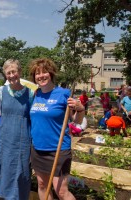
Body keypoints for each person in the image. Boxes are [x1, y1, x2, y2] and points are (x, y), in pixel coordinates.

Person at [29, 58, 84, 200]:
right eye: (37, 73)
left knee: (61, 191)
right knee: (42, 185)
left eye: (44, 72)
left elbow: (76, 121)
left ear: (51, 73)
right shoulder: (36, 94)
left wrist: (80, 109)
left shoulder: (64, 94)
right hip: (38, 148)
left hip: (58, 149)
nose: (41, 76)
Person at [0, 59, 33, 199]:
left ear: (20, 72)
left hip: (22, 140)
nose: (11, 75)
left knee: (21, 172)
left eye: (14, 71)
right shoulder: (1, 91)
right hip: (5, 139)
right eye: (8, 73)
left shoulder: (30, 94)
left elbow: (34, 117)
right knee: (5, 171)